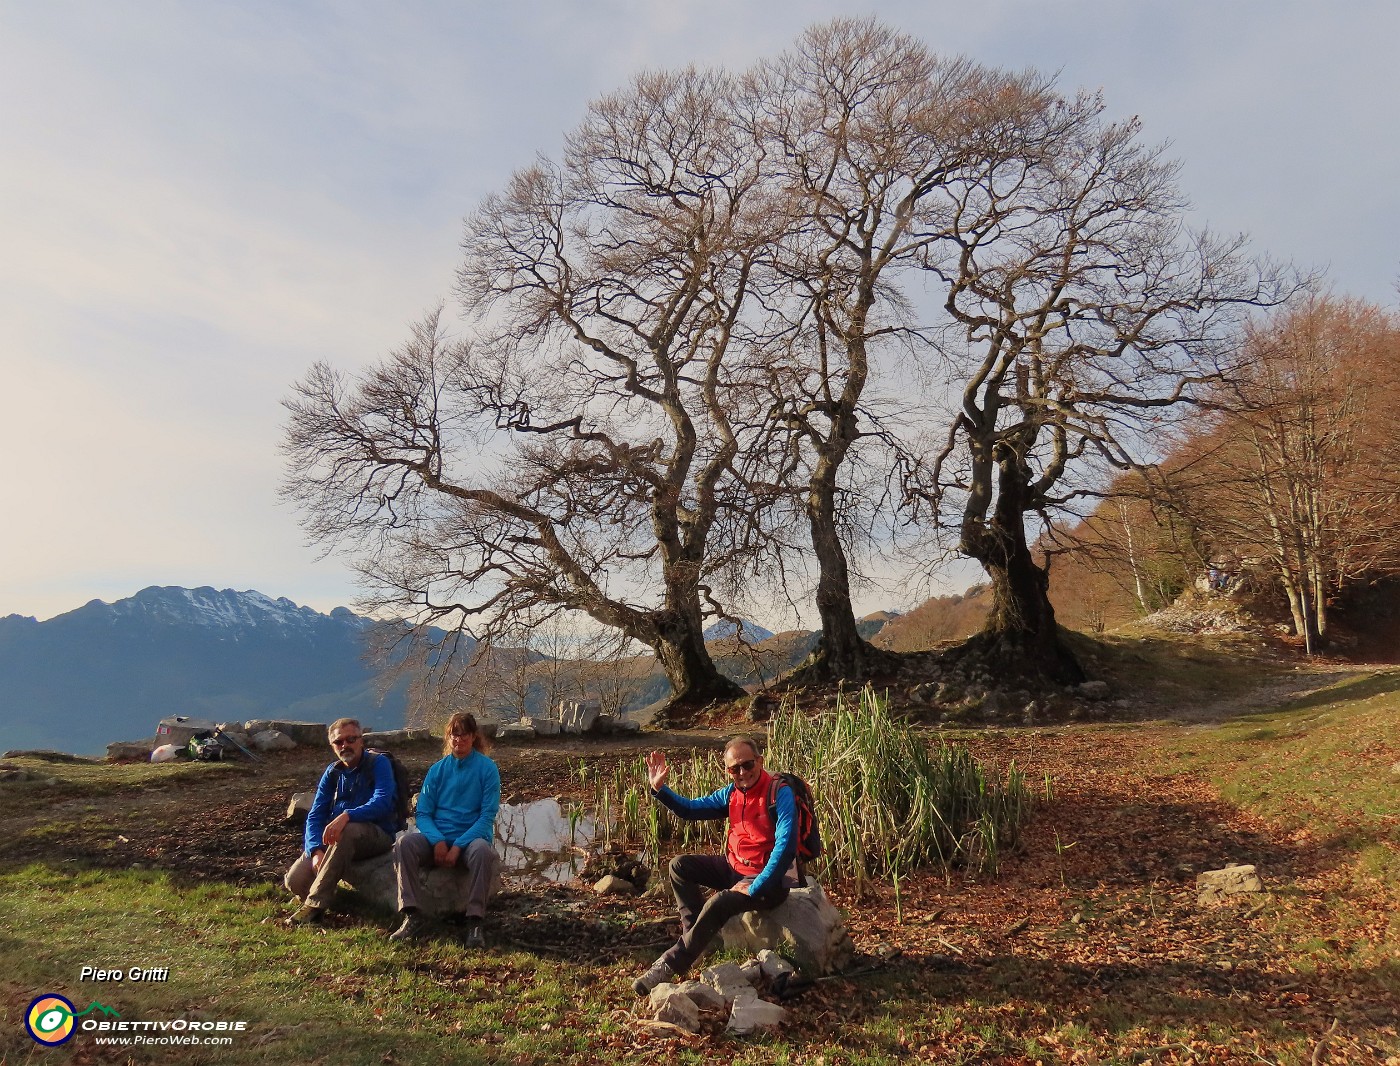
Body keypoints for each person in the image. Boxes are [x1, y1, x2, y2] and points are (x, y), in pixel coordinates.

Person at [633, 735, 797, 995]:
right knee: (679, 866)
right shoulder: (731, 793)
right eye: (734, 768)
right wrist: (659, 790)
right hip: (736, 869)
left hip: (769, 881)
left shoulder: (779, 793)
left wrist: (755, 886)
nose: (742, 772)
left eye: (747, 765)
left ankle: (672, 962)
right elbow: (690, 809)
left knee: (719, 902)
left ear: (760, 761)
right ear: (727, 771)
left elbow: (785, 847)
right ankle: (697, 940)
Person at [389, 712, 501, 948]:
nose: (458, 740)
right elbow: (423, 813)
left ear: (473, 737)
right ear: (447, 738)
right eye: (453, 735)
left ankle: (475, 922)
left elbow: (486, 817)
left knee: (483, 852)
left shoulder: (487, 769)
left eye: (463, 735)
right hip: (437, 839)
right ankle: (412, 915)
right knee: (404, 844)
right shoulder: (437, 770)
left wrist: (458, 845)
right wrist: (438, 841)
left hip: (471, 840)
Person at [285, 717, 398, 924]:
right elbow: (316, 814)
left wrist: (347, 816)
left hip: (376, 834)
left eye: (350, 739)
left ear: (361, 741)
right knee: (296, 881)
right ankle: (345, 902)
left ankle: (314, 906)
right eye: (339, 742)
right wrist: (316, 851)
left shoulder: (378, 763)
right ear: (332, 746)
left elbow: (382, 801)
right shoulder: (333, 772)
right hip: (338, 838)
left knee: (348, 830)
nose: (345, 745)